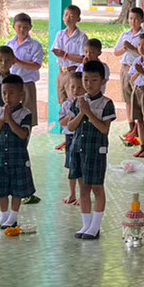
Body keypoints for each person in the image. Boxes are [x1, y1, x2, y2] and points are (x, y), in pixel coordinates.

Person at [65, 60, 114, 240]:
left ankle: (95, 225)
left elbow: (104, 129)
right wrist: (82, 112)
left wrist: (89, 113)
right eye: (85, 80)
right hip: (78, 149)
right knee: (83, 188)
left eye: (94, 80)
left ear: (102, 82)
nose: (88, 84)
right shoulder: (78, 102)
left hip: (95, 151)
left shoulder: (106, 103)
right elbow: (70, 126)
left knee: (97, 188)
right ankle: (86, 224)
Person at [0, 75, 34, 229]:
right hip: (0, 157)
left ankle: (13, 217)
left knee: (16, 189)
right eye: (4, 93)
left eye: (12, 93)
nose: (7, 97)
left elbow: (23, 134)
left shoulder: (25, 113)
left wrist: (10, 120)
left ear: (21, 95)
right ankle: (3, 215)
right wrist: (2, 120)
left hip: (18, 158)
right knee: (1, 188)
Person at [112, 7, 144, 129]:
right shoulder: (125, 35)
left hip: (137, 69)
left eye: (136, 19)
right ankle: (131, 127)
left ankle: (139, 126)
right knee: (127, 99)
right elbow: (116, 52)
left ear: (142, 20)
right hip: (125, 68)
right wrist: (124, 48)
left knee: (137, 98)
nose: (133, 21)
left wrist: (132, 48)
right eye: (131, 18)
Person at [7, 13, 44, 123]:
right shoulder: (10, 44)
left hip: (27, 83)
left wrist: (18, 61)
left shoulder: (35, 45)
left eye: (25, 27)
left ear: (30, 27)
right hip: (12, 83)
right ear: (14, 27)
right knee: (11, 113)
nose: (22, 30)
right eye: (19, 27)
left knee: (28, 114)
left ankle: (27, 133)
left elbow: (36, 65)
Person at [51, 3, 88, 109]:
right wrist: (59, 54)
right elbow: (56, 50)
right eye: (66, 15)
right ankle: (64, 120)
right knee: (62, 102)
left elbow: (83, 58)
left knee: (73, 101)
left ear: (78, 19)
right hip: (62, 72)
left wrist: (66, 55)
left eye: (71, 16)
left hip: (74, 72)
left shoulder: (82, 37)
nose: (68, 18)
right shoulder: (60, 34)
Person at [58, 69, 85, 207]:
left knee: (82, 167)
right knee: (71, 166)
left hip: (82, 138)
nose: (75, 90)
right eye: (72, 87)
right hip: (70, 138)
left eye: (79, 87)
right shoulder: (66, 105)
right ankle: (72, 193)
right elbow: (62, 122)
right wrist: (72, 114)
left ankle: (83, 195)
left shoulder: (87, 103)